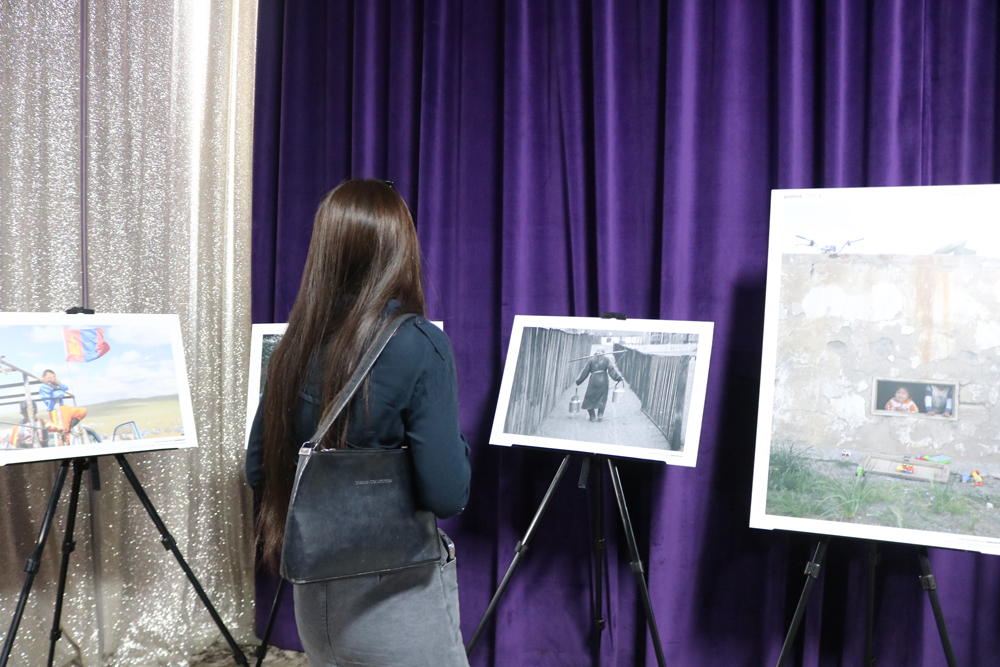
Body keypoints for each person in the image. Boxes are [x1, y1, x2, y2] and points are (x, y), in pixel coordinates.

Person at [246, 179, 471, 667]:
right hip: (397, 601)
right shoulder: (420, 345)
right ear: (399, 247)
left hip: (314, 602)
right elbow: (448, 495)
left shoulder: (294, 344)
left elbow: (257, 468)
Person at [38, 370, 87, 445]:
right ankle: (64, 447)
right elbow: (58, 395)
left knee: (82, 411)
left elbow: (66, 387)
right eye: (49, 377)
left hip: (64, 407)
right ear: (43, 377)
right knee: (63, 432)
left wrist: (57, 382)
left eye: (53, 377)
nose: (51, 379)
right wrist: (60, 390)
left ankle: (69, 427)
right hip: (55, 410)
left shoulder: (55, 384)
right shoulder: (43, 387)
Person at [575, 348, 624, 422]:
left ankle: (592, 416)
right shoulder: (606, 359)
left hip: (593, 380)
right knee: (602, 397)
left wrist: (579, 381)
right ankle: (600, 415)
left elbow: (585, 372)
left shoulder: (591, 359)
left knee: (590, 397)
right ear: (603, 353)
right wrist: (618, 378)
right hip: (603, 380)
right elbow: (612, 370)